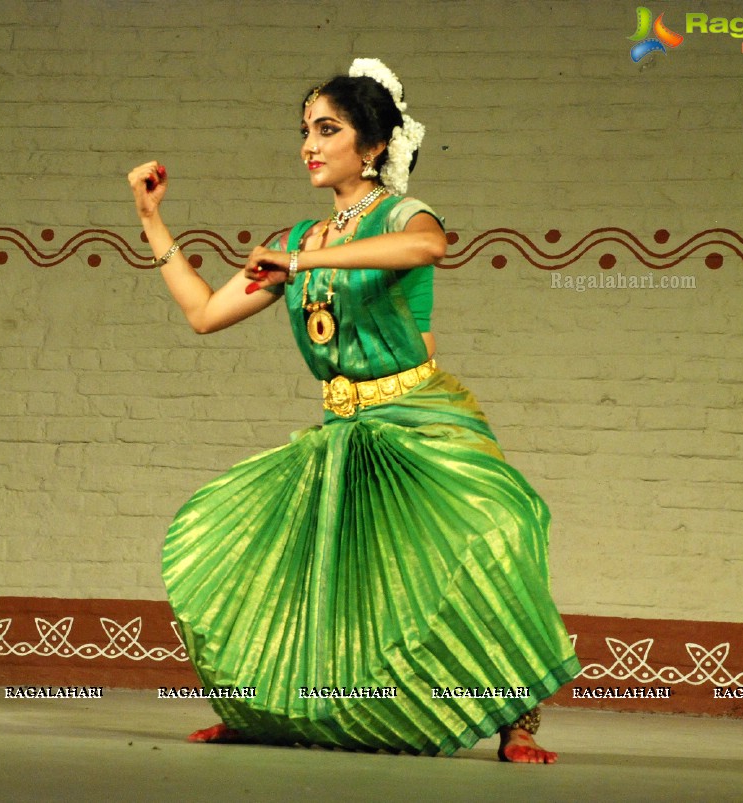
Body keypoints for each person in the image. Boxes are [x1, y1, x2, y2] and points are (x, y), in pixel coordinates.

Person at [126, 58, 580, 763]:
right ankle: (269, 708)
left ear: (370, 146)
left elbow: (429, 245)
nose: (308, 144)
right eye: (304, 130)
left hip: (419, 419)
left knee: (496, 533)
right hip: (343, 431)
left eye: (326, 129)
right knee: (287, 565)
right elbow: (204, 313)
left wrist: (307, 267)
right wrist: (152, 219)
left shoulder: (400, 215)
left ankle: (515, 719)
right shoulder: (297, 240)